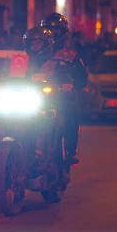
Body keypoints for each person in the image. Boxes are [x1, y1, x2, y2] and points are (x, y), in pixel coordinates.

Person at [40, 13, 88, 164]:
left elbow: (81, 78)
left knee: (71, 114)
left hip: (62, 96)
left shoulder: (71, 55)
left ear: (63, 33)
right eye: (49, 30)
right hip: (39, 95)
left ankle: (70, 150)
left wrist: (72, 85)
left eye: (56, 31)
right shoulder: (35, 53)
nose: (53, 34)